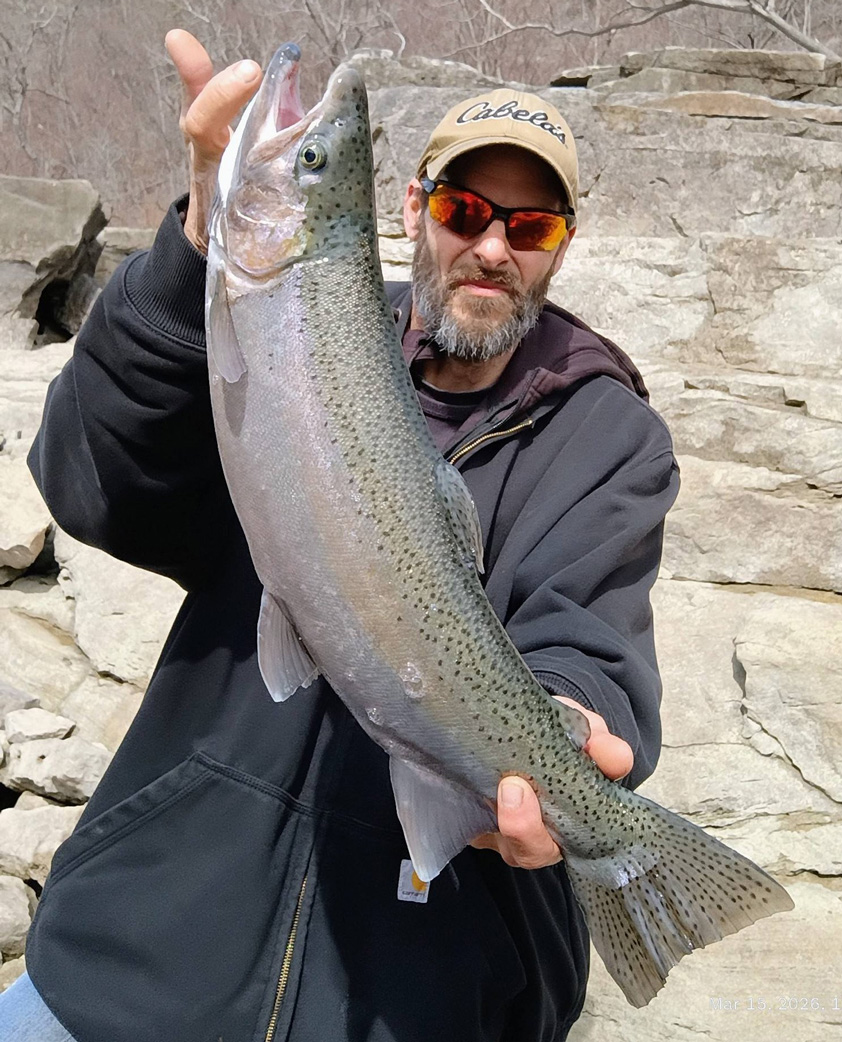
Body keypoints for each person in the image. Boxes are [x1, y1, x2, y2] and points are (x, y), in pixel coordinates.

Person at [3, 29, 678, 1042]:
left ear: (561, 246)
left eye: (529, 226)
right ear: (410, 211)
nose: (492, 245)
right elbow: (92, 483)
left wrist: (569, 722)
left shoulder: (605, 432)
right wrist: (194, 249)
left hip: (422, 999)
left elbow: (592, 637)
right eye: (464, 209)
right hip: (137, 956)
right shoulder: (302, 326)